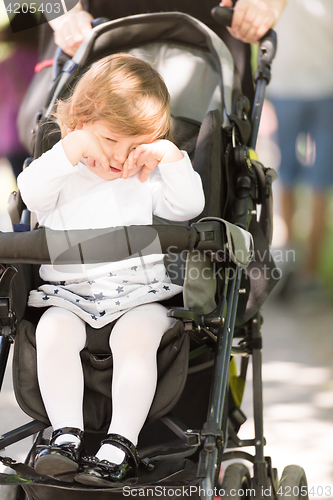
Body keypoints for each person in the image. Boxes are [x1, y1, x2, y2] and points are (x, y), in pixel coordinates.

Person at [17, 53, 205, 486]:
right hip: (69, 297)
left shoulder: (145, 177)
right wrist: (73, 148)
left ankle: (120, 442)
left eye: (134, 145)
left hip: (141, 297)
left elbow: (189, 206)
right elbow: (29, 192)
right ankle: (65, 436)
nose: (120, 158)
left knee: (133, 337)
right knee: (51, 332)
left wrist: (168, 155)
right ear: (81, 122)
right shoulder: (62, 175)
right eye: (108, 142)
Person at [267, 0, 333, 295]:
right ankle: (308, 275)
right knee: (321, 181)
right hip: (324, 87)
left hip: (289, 88)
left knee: (290, 176)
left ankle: (291, 266)